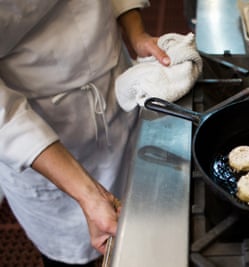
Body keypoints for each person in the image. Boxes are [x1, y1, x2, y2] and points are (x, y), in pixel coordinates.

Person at [0, 0, 170, 266]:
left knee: (137, 221)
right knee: (71, 256)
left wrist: (136, 34)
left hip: (112, 85)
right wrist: (89, 195)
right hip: (40, 137)